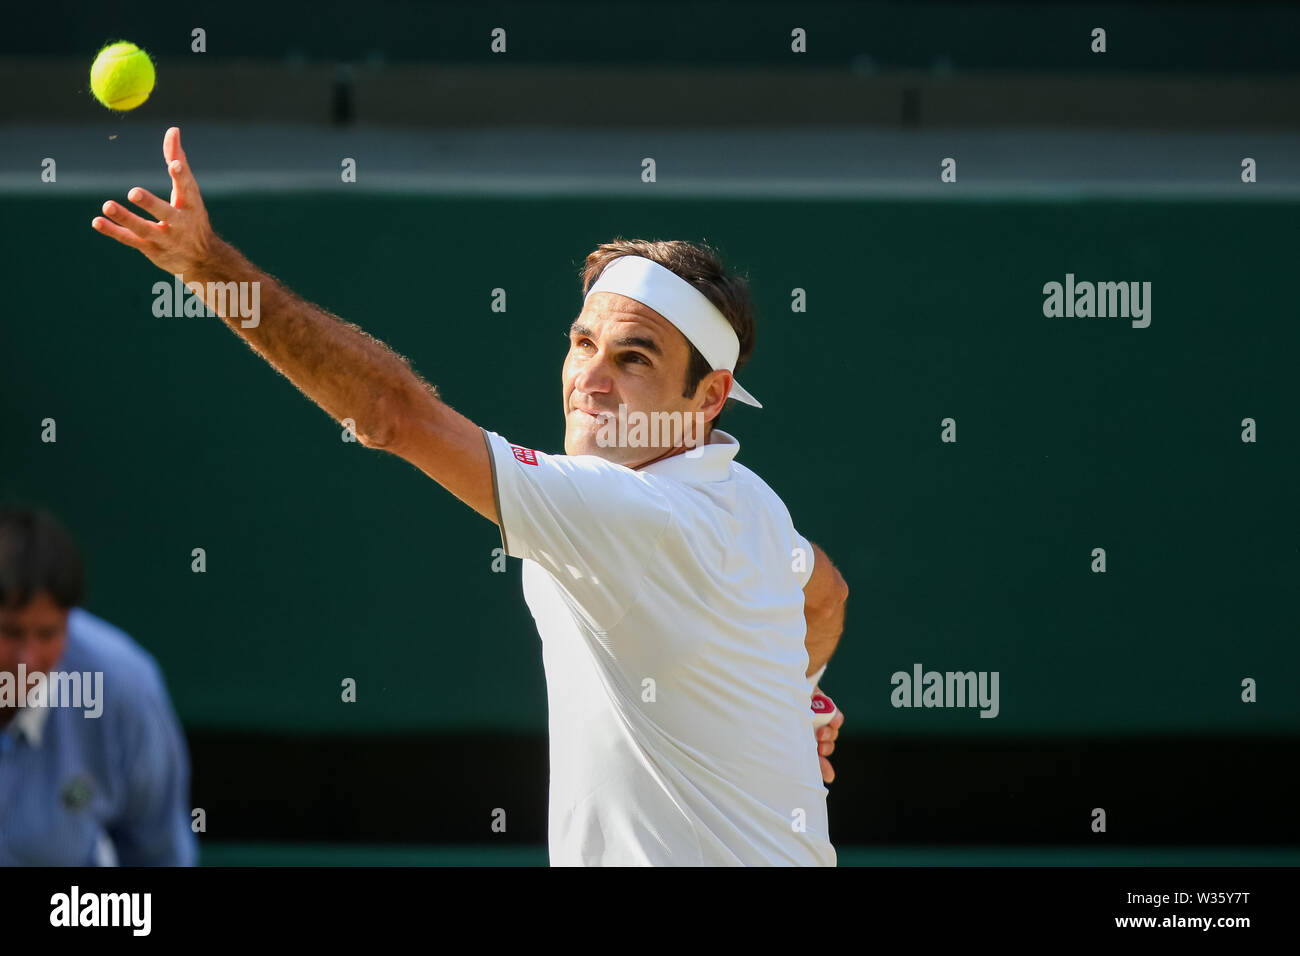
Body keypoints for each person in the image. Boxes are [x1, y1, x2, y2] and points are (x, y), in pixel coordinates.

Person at [90, 127, 850, 865]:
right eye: (583, 343)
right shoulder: (747, 500)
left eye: (634, 359)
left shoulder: (635, 515)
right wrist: (795, 701)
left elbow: (392, 415)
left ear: (708, 396)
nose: (590, 378)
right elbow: (824, 596)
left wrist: (207, 267)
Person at [0, 506, 197, 866]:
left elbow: (160, 854)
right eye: (9, 632)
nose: (26, 660)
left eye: (48, 634)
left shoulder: (122, 685)